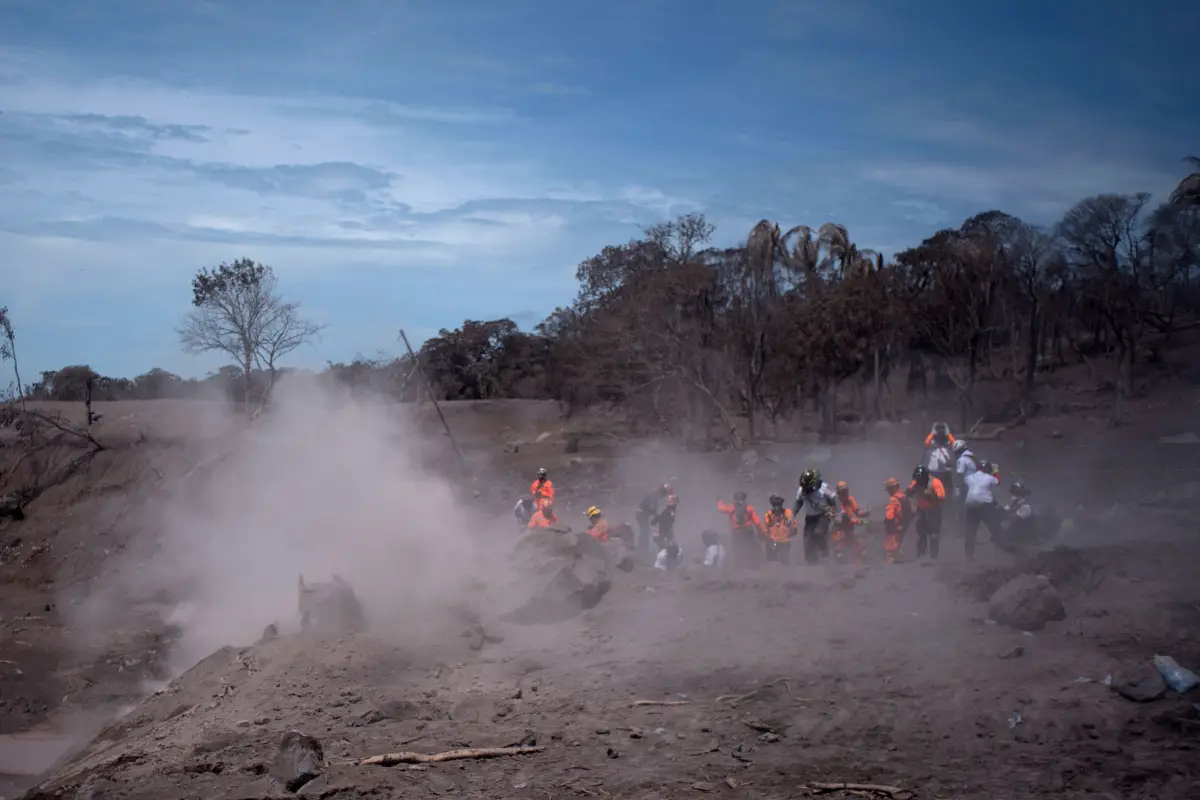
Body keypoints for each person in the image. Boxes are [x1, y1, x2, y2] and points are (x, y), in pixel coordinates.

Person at [795, 468, 837, 564]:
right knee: (807, 538)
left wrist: (835, 513)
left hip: (823, 515)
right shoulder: (802, 489)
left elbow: (834, 499)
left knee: (818, 533)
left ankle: (825, 553)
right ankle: (811, 560)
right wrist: (793, 515)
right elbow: (798, 502)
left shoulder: (824, 488)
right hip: (810, 517)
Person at [962, 459, 1000, 560]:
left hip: (970, 505)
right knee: (994, 528)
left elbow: (964, 480)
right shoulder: (990, 478)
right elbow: (997, 482)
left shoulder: (970, 477)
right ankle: (1001, 552)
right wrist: (996, 470)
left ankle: (969, 556)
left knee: (970, 531)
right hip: (984, 505)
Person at [907, 465, 946, 559]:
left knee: (934, 533)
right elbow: (908, 494)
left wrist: (930, 498)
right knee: (921, 532)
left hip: (934, 510)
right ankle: (921, 553)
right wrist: (911, 505)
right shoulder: (915, 482)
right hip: (922, 509)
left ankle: (933, 555)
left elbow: (941, 497)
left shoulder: (935, 483)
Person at [717, 491, 763, 567]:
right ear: (744, 499)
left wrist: (719, 500)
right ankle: (753, 565)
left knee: (738, 548)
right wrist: (760, 531)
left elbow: (720, 508)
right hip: (748, 530)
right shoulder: (749, 508)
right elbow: (756, 521)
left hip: (737, 531)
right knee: (751, 547)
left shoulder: (731, 507)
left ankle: (739, 566)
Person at [831, 481, 869, 564]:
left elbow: (857, 511)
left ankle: (861, 554)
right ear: (838, 492)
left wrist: (864, 513)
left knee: (852, 539)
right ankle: (838, 554)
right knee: (838, 538)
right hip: (838, 525)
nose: (844, 493)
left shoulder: (851, 499)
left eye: (845, 491)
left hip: (849, 525)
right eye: (842, 492)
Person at [923, 423, 956, 503]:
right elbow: (926, 443)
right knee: (934, 488)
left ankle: (947, 502)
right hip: (935, 471)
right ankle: (934, 500)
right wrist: (933, 432)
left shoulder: (948, 445)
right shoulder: (933, 445)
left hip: (945, 471)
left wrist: (948, 433)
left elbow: (954, 444)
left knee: (947, 490)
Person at [882, 477, 911, 564]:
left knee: (889, 549)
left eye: (889, 489)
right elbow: (912, 511)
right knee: (898, 547)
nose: (888, 492)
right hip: (904, 527)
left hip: (894, 528)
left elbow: (889, 517)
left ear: (892, 488)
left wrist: (886, 523)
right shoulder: (905, 498)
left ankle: (890, 566)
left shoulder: (893, 500)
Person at [762, 494, 796, 565]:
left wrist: (792, 531)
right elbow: (765, 527)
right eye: (775, 505)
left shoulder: (787, 513)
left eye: (778, 505)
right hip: (772, 541)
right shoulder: (768, 514)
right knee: (771, 561)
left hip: (784, 540)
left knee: (785, 561)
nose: (777, 508)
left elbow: (793, 524)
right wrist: (766, 536)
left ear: (781, 505)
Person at [636, 484, 668, 553]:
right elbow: (652, 509)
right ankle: (642, 549)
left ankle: (643, 548)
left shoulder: (653, 494)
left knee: (645, 531)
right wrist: (658, 516)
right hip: (642, 514)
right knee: (645, 532)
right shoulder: (653, 496)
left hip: (642, 514)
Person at [954, 440, 977, 516]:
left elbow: (959, 473)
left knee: (961, 501)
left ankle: (962, 519)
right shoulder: (972, 456)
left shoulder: (962, 459)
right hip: (976, 482)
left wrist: (957, 487)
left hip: (967, 484)